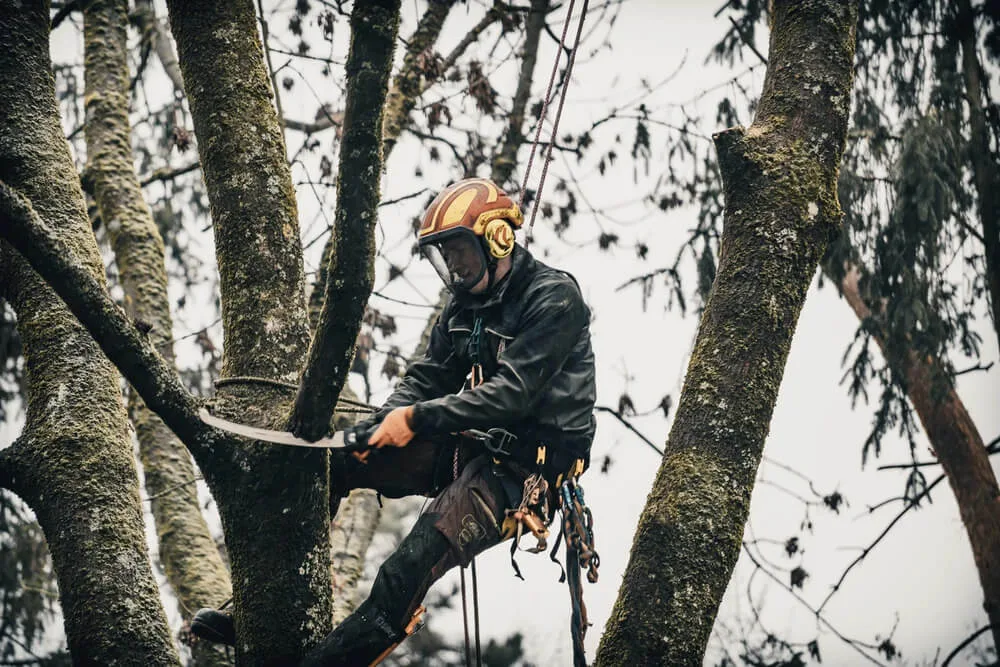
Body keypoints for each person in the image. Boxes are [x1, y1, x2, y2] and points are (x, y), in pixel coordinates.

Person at [191, 177, 597, 665]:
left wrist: (416, 419)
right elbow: (427, 377)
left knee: (406, 569)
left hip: (526, 475)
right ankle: (262, 609)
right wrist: (384, 423)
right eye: (446, 257)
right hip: (475, 444)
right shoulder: (464, 307)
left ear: (497, 238)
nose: (455, 268)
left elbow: (511, 394)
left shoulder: (554, 299)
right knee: (335, 462)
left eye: (461, 254)